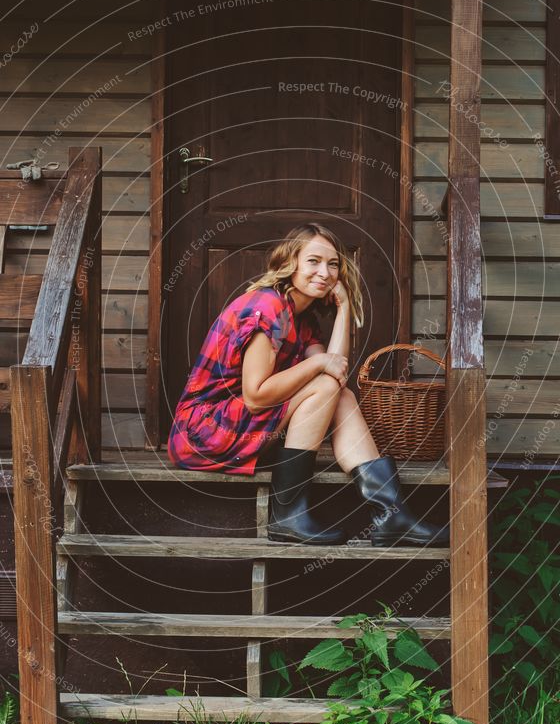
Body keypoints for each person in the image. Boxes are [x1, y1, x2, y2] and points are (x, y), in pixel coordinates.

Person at [168, 223, 449, 548]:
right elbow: (256, 396)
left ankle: (393, 516)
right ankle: (288, 517)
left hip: (240, 424)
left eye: (333, 264)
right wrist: (316, 364)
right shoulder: (266, 307)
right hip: (204, 430)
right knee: (325, 385)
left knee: (338, 392)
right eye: (313, 261)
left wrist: (343, 307)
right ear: (291, 263)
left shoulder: (301, 318)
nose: (325, 272)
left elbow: (336, 372)